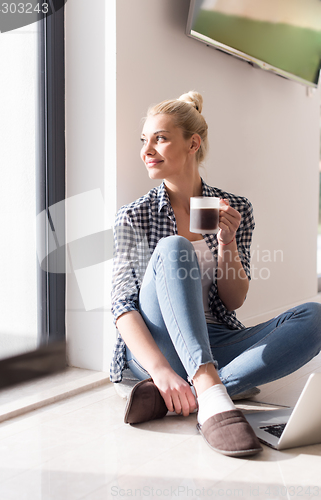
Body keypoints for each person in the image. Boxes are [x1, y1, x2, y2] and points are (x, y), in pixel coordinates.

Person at [110, 91, 321, 457]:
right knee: (174, 247)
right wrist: (159, 370)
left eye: (160, 138)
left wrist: (227, 242)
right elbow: (122, 306)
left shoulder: (233, 208)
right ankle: (208, 390)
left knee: (315, 316)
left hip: (218, 340)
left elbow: (233, 300)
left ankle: (188, 393)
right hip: (159, 345)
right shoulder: (135, 215)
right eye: (144, 140)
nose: (147, 149)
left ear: (193, 143)